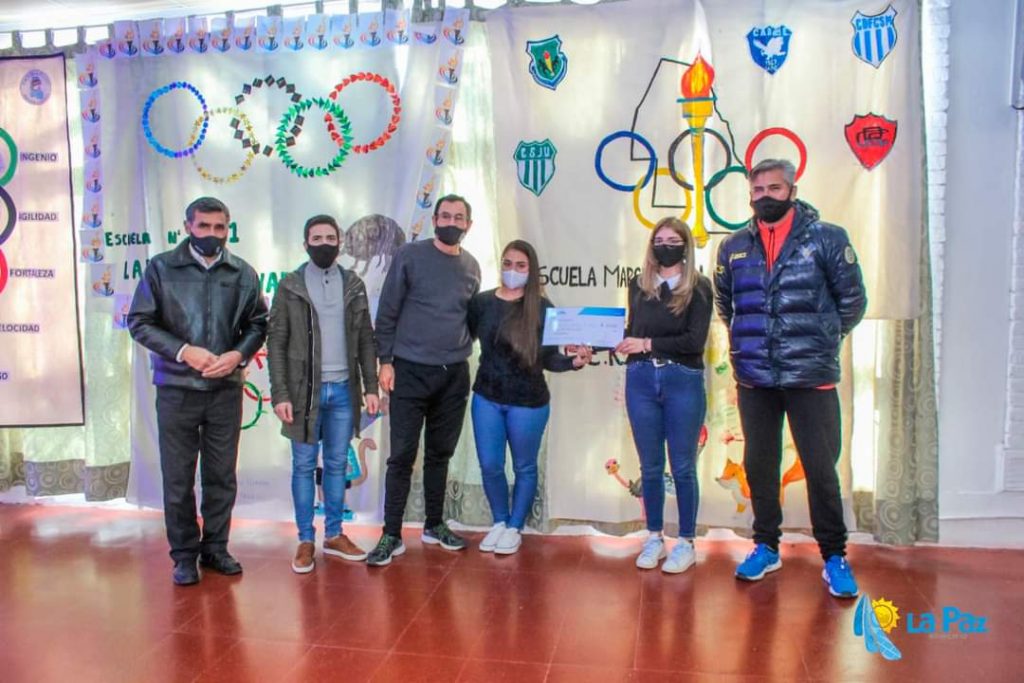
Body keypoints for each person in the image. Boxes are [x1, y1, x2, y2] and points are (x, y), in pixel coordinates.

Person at [713, 158, 867, 598]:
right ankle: (766, 546)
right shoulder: (733, 246)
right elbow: (726, 305)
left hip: (810, 376)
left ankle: (834, 556)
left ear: (792, 192)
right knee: (760, 467)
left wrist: (821, 339)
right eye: (757, 190)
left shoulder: (828, 239)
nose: (765, 197)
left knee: (820, 469)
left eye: (774, 188)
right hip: (755, 378)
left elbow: (853, 302)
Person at [127, 197, 268, 586]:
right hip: (176, 390)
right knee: (178, 479)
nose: (211, 234)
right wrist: (184, 351)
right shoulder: (161, 268)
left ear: (228, 229)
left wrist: (238, 355)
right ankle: (184, 555)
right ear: (187, 226)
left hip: (225, 390)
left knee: (221, 476)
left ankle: (216, 548)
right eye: (203, 226)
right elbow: (139, 322)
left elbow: (258, 323)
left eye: (219, 227)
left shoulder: (243, 273)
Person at [368, 194, 481, 566]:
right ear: (434, 221)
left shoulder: (471, 266)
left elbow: (470, 319)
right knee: (401, 456)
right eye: (445, 216)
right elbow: (387, 311)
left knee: (439, 454)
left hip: (454, 375)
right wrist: (386, 361)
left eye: (459, 218)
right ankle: (391, 534)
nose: (451, 222)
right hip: (409, 371)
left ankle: (434, 524)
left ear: (468, 225)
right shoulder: (409, 256)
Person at [267, 215, 380, 574]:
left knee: (335, 464)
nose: (324, 244)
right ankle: (305, 540)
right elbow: (276, 342)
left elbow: (366, 340)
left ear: (340, 242)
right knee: (303, 466)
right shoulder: (290, 286)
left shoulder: (354, 284)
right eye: (316, 238)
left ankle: (334, 534)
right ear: (305, 244)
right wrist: (280, 393)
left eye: (331, 238)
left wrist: (371, 386)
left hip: (344, 391)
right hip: (303, 394)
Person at [468, 240, 592, 555]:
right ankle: (499, 521)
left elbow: (549, 359)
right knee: (490, 464)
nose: (513, 270)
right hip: (486, 398)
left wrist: (575, 362)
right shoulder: (481, 303)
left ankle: (515, 527)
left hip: (528, 402)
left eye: (521, 265)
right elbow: (464, 338)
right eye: (507, 263)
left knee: (524, 466)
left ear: (531, 270)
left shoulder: (543, 307)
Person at [615, 218, 712, 574]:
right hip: (640, 379)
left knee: (683, 466)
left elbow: (694, 341)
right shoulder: (638, 285)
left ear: (685, 246)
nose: (665, 246)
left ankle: (686, 541)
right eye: (659, 240)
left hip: (682, 380)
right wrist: (604, 339)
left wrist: (646, 343)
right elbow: (631, 331)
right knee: (650, 467)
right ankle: (654, 535)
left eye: (673, 240)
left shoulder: (699, 288)